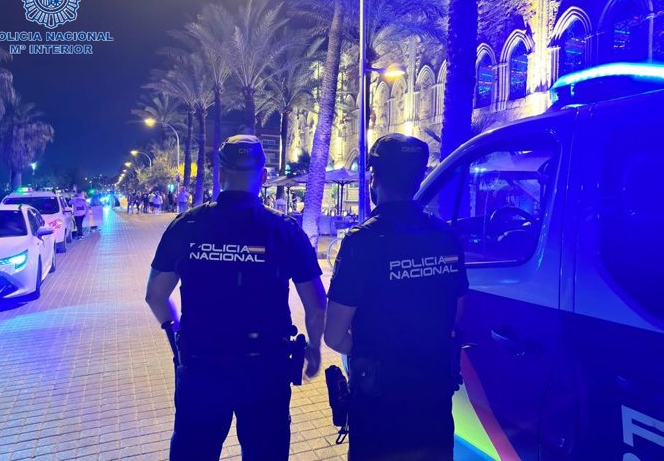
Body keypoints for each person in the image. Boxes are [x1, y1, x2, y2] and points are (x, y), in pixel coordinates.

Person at [145, 135, 327, 461]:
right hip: (265, 370)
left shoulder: (188, 226)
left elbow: (155, 295)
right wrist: (314, 347)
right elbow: (316, 304)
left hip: (202, 367)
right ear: (265, 175)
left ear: (220, 174)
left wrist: (174, 333)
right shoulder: (284, 230)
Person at [324, 134, 469, 461]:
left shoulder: (361, 242)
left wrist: (374, 355)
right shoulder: (447, 237)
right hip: (432, 393)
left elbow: (334, 335)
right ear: (419, 178)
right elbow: (458, 313)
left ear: (374, 178)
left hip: (380, 400)